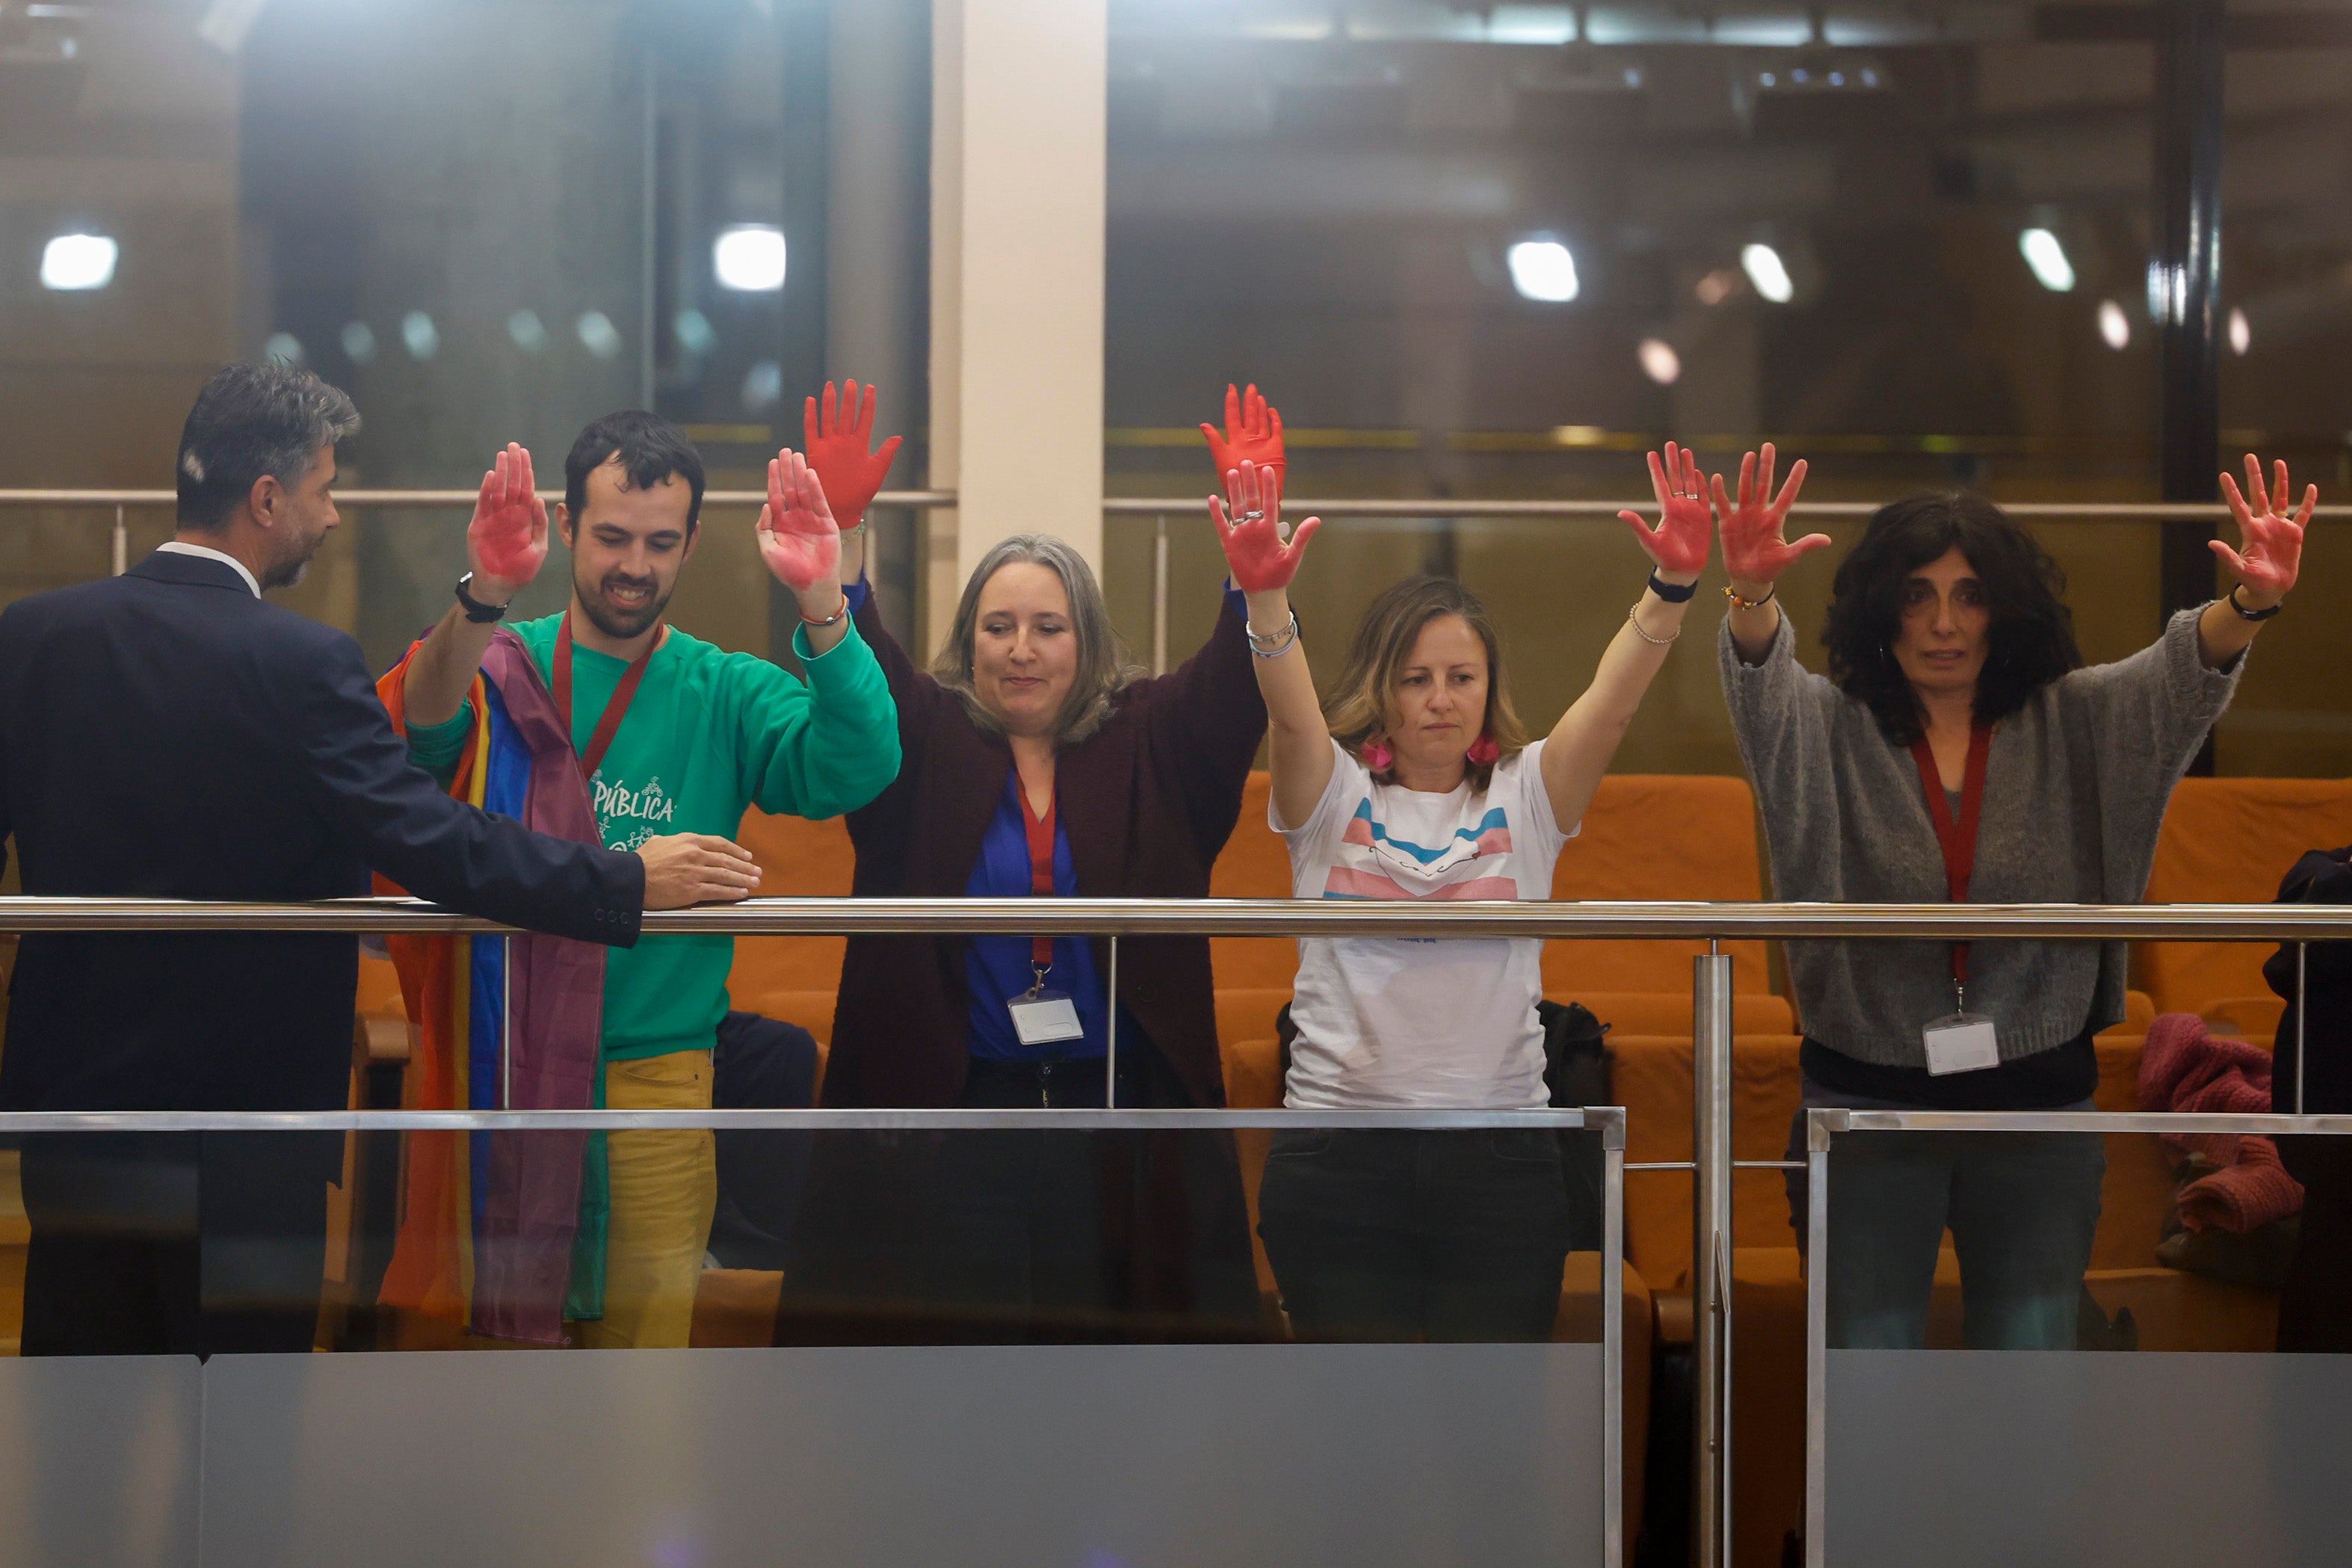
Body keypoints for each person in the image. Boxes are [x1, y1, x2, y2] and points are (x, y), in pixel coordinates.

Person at [0, 362, 759, 1359]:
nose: (329, 516)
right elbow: (434, 840)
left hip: (73, 1116)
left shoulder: (31, 638)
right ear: (266, 499)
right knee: (244, 1428)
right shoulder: (303, 662)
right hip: (253, 1122)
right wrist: (623, 879)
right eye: (322, 490)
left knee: (74, 1407)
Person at [1719, 446, 2310, 1349]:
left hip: (2036, 1112)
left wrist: (2254, 601)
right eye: (1917, 595)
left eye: (1969, 594)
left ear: (2007, 607)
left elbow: (2177, 678)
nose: (1944, 623)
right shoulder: (1833, 726)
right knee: (1865, 1396)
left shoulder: (2074, 716)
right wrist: (1754, 597)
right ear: (1883, 611)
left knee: (2028, 1389)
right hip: (1867, 1109)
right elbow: (1765, 693)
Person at [389, 410, 901, 1348]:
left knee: (645, 1388)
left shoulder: (727, 689)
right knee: (493, 1381)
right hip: (506, 1070)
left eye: (662, 544)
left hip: (656, 1079)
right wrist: (486, 592)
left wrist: (825, 601)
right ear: (568, 526)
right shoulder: (504, 661)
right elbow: (421, 733)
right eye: (614, 537)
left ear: (694, 543)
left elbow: (860, 765)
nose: (636, 566)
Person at [777, 380, 1264, 1342]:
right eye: (998, 627)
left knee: (1104, 1378)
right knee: (958, 1367)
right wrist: (835, 563)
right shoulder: (925, 734)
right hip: (955, 1121)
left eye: (1049, 627)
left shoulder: (1150, 734)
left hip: (1112, 1118)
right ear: (970, 639)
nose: (1022, 650)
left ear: (1087, 641)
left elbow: (1232, 691)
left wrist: (1253, 576)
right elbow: (860, 677)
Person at [1226, 442, 1709, 1342]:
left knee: (1487, 1452)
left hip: (1500, 1164)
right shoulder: (1331, 793)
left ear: (1489, 691)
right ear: (1383, 686)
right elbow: (1291, 714)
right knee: (1357, 1438)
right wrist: (1266, 599)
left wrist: (1670, 587)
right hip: (1340, 1159)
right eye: (1416, 679)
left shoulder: (1529, 795)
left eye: (1461, 678)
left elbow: (1610, 705)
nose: (1440, 700)